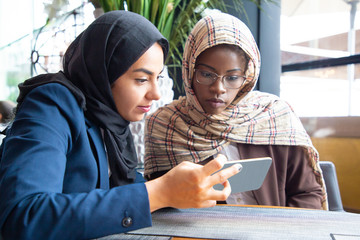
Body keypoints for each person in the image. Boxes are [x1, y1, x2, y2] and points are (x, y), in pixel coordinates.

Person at [0, 11, 241, 240]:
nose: (156, 94)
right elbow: (24, 216)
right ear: (104, 71)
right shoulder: (52, 105)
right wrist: (158, 193)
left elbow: (121, 188)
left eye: (157, 78)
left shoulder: (108, 118)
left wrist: (178, 188)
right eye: (141, 79)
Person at [144, 12, 327, 210]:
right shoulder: (165, 125)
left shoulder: (274, 116)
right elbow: (161, 206)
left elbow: (307, 193)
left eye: (232, 77)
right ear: (189, 70)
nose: (218, 88)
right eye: (206, 74)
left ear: (247, 77)